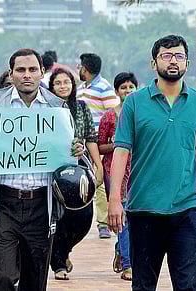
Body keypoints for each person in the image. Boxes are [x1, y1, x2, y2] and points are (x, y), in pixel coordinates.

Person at [0, 48, 85, 291]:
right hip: (3, 204)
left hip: (42, 205)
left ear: (42, 72)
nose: (26, 75)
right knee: (3, 277)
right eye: (20, 70)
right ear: (11, 73)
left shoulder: (58, 110)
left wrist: (77, 154)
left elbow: (72, 167)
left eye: (32, 70)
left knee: (35, 281)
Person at [108, 35, 196, 290]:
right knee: (143, 285)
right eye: (167, 55)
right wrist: (115, 198)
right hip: (144, 209)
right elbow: (121, 150)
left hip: (188, 209)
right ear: (154, 63)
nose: (173, 61)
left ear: (187, 63)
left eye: (179, 56)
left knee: (192, 285)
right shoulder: (135, 102)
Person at [48, 68, 103, 280]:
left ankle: (64, 251)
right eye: (58, 83)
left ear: (73, 85)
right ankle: (58, 263)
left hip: (80, 168)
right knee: (60, 218)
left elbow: (91, 138)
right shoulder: (47, 110)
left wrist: (97, 166)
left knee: (83, 217)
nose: (63, 86)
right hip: (54, 169)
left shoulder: (81, 108)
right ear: (51, 87)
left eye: (66, 82)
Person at [99, 72, 138, 281]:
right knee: (121, 218)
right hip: (115, 173)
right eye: (123, 87)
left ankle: (121, 249)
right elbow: (100, 146)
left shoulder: (140, 114)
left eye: (131, 87)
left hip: (138, 172)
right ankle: (128, 264)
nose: (128, 91)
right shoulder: (109, 116)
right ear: (116, 91)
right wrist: (120, 144)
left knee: (135, 217)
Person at [76, 52, 119, 239]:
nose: (78, 69)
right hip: (81, 143)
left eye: (80, 66)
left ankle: (102, 223)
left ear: (85, 68)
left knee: (100, 183)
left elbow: (113, 113)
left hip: (98, 142)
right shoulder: (80, 88)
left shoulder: (104, 88)